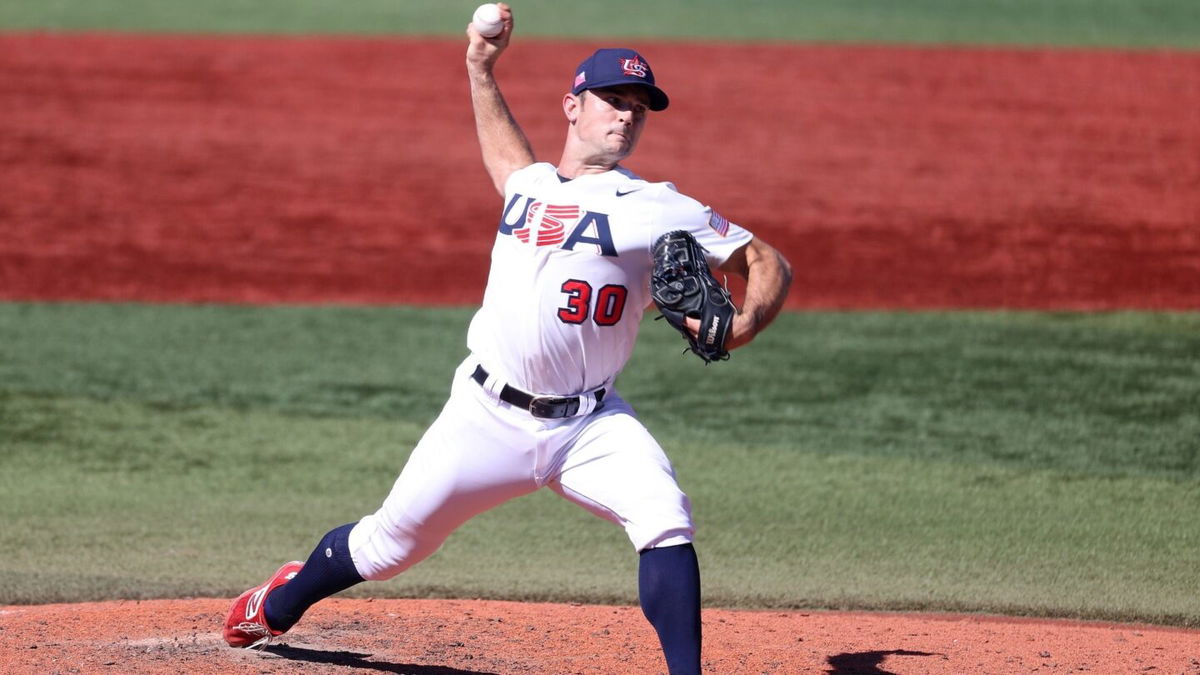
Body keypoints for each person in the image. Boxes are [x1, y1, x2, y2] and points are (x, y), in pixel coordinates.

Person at [222, 4, 792, 673]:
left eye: (640, 105)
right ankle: (279, 603)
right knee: (386, 548)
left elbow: (768, 260)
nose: (628, 114)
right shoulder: (530, 186)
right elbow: (505, 154)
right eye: (614, 99)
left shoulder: (662, 206)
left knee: (665, 514)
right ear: (573, 107)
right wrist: (478, 66)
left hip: (591, 423)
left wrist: (747, 323)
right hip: (486, 416)